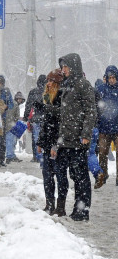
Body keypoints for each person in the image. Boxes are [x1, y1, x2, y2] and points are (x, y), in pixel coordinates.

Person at [56, 53, 96, 221]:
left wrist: (86, 134)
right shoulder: (67, 85)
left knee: (80, 177)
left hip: (78, 140)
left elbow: (90, 111)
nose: (63, 70)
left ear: (73, 67)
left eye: (65, 67)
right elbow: (65, 112)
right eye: (62, 67)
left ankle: (83, 210)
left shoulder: (83, 85)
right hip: (67, 139)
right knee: (73, 175)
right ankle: (77, 209)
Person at [35, 69, 68, 216]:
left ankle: (60, 207)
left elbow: (62, 119)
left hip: (59, 143)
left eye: (51, 81)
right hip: (48, 142)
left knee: (60, 175)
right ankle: (49, 204)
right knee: (47, 175)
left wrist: (57, 145)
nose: (48, 83)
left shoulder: (63, 96)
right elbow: (45, 123)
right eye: (47, 81)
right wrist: (40, 142)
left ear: (57, 83)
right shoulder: (47, 97)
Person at [93, 65, 118, 189]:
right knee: (102, 154)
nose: (112, 80)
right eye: (110, 77)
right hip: (104, 127)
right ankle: (104, 175)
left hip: (117, 127)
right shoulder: (101, 89)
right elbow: (96, 106)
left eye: (114, 77)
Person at [24, 75, 48, 163]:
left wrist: (26, 116)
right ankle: (44, 156)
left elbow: (28, 105)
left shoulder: (33, 92)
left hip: (36, 118)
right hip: (46, 119)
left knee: (37, 138)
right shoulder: (47, 91)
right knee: (46, 137)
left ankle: (38, 157)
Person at [0, 75, 13, 162]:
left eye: (0, 82)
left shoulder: (6, 91)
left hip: (2, 118)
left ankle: (0, 158)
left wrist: (6, 106)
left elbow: (11, 104)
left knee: (1, 139)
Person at [5, 92, 25, 164]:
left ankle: (1, 156)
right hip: (11, 125)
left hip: (3, 125)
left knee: (2, 142)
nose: (20, 100)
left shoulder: (4, 102)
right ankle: (10, 156)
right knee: (11, 141)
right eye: (19, 99)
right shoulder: (15, 104)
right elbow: (17, 117)